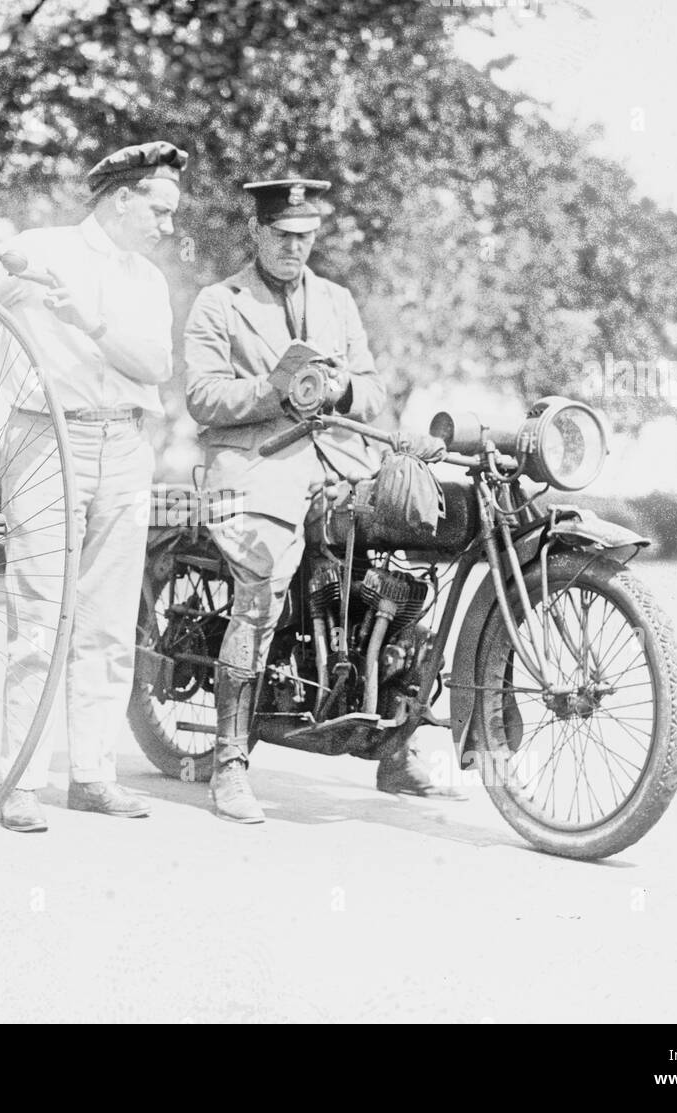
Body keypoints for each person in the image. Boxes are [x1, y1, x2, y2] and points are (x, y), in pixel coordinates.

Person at [183, 177, 465, 823]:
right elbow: (201, 397)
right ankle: (229, 760)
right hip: (251, 466)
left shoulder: (337, 300)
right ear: (255, 232)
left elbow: (371, 386)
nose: (293, 249)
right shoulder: (218, 302)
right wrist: (277, 388)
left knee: (405, 560)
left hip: (339, 459)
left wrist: (337, 394)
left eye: (305, 238)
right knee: (264, 583)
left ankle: (394, 744)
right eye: (281, 236)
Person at [0, 140, 186, 832]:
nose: (167, 227)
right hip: (48, 436)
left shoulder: (147, 282)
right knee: (41, 613)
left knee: (108, 618)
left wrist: (89, 322)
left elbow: (155, 365)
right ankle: (19, 781)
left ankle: (93, 774)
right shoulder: (41, 248)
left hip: (125, 444)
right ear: (122, 197)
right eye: (158, 211)